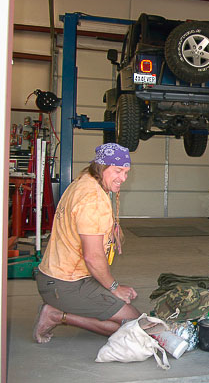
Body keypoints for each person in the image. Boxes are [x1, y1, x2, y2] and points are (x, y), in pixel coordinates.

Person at [34, 143, 141, 343]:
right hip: (65, 284)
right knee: (135, 324)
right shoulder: (93, 200)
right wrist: (114, 288)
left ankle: (66, 309)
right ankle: (56, 315)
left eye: (126, 172)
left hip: (64, 277)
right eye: (118, 171)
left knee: (127, 315)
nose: (123, 178)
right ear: (102, 167)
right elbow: (92, 257)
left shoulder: (83, 182)